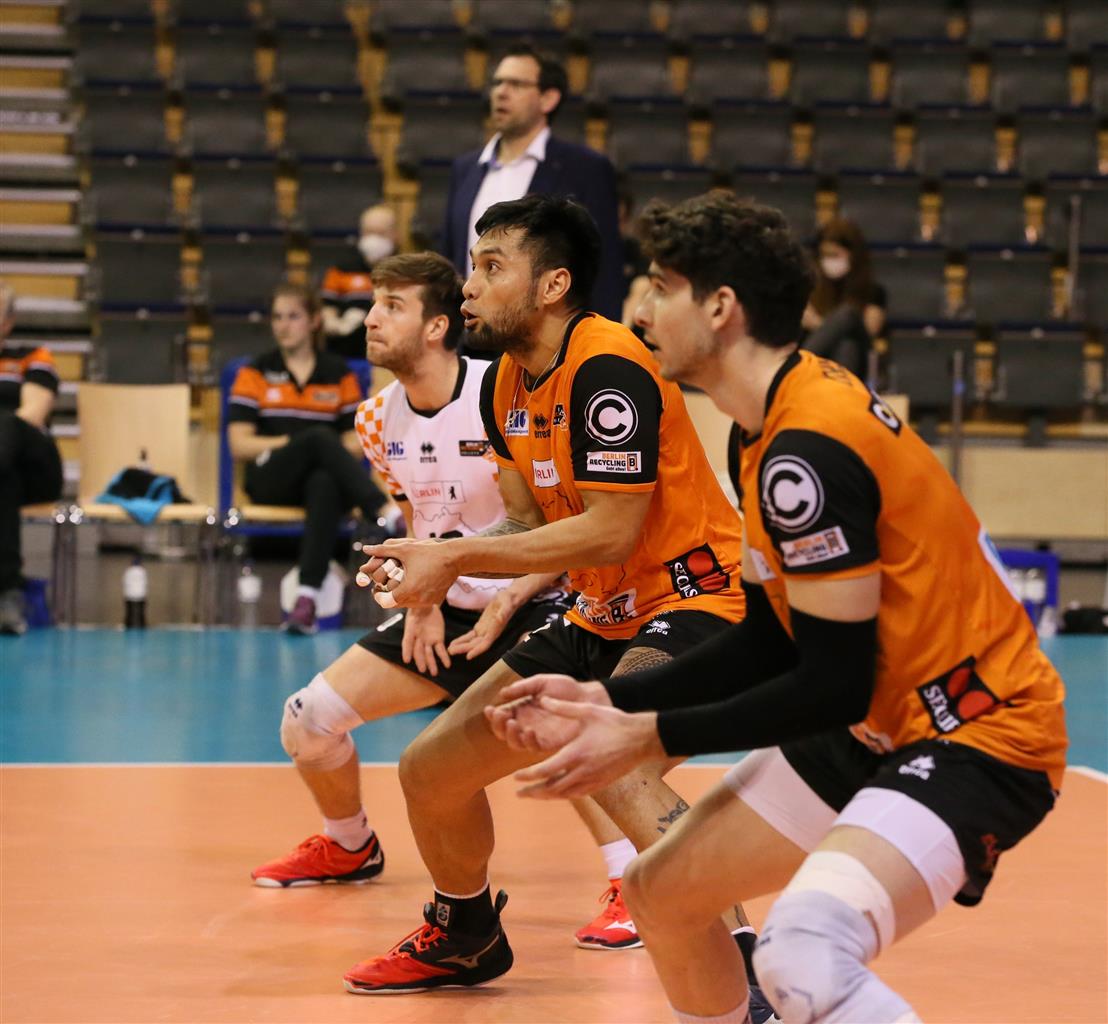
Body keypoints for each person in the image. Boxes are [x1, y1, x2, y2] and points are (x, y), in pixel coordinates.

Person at [486, 191, 1067, 1024]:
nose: (638, 311)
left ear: (720, 308)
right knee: (662, 891)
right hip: (874, 720)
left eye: (660, 288)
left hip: (978, 732)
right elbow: (766, 638)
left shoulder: (807, 449)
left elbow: (830, 682)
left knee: (802, 950)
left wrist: (647, 736)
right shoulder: (758, 427)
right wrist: (607, 698)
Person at [348, 195, 777, 1020]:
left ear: (552, 285)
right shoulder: (506, 383)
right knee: (430, 771)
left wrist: (455, 558)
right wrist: (439, 563)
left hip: (694, 599)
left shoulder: (609, 366)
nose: (469, 287)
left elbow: (612, 531)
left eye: (491, 267)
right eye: (473, 266)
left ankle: (752, 974)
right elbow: (526, 522)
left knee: (613, 758)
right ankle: (467, 932)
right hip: (595, 610)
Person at [251, 251, 573, 887]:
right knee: (307, 719)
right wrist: (422, 604)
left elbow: (562, 525)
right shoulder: (375, 418)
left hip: (535, 602)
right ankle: (349, 845)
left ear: (436, 327)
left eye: (392, 306)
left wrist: (509, 599)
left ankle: (626, 879)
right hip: (446, 610)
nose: (371, 319)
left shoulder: (502, 392)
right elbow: (415, 518)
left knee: (569, 730)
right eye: (374, 303)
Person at [227, 282, 387, 635]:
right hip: (270, 478)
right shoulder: (255, 371)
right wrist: (295, 443)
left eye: (293, 317)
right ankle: (381, 509)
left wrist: (319, 447)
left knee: (324, 482)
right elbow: (239, 444)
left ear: (314, 321)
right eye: (277, 317)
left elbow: (357, 441)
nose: (283, 326)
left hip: (318, 482)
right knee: (317, 438)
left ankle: (306, 599)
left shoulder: (338, 373)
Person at [441, 43, 625, 321]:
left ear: (548, 99)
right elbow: (451, 258)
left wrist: (599, 338)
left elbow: (604, 267)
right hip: (471, 330)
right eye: (497, 82)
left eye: (515, 84)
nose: (500, 92)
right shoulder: (464, 168)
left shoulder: (586, 169)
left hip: (548, 333)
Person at [0, 283, 63, 636]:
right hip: (8, 476)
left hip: (36, 467)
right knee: (3, 481)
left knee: (7, 425)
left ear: (8, 322)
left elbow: (33, 413)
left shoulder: (33, 357)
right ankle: (8, 590)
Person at [801, 217, 886, 381]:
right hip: (820, 361)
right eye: (825, 255)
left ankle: (797, 366)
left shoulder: (873, 291)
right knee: (845, 344)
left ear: (853, 255)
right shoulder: (810, 287)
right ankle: (840, 393)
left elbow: (869, 332)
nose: (829, 260)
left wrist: (818, 324)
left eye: (834, 254)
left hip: (859, 360)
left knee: (848, 318)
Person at [320, 204, 399, 359]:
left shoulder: (406, 273)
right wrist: (338, 324)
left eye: (380, 233)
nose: (374, 239)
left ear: (396, 235)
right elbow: (327, 307)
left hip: (391, 355)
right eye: (369, 232)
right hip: (346, 355)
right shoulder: (341, 270)